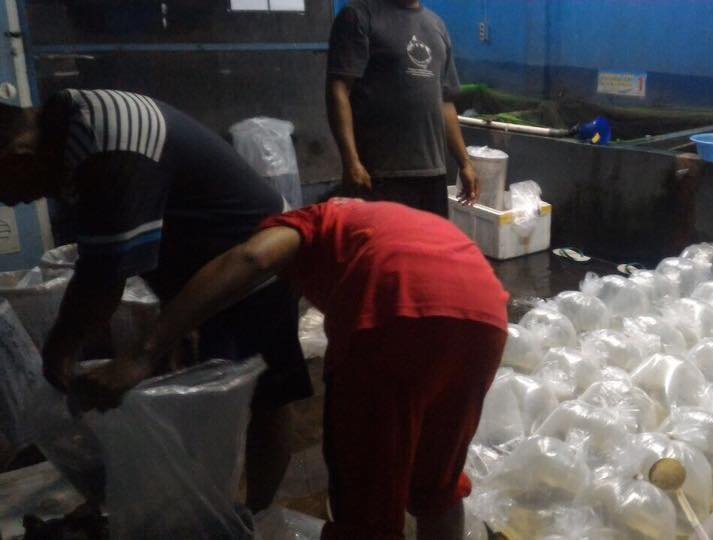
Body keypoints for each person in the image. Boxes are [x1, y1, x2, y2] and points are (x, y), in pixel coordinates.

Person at [74, 198, 509, 539]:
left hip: (393, 308)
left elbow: (252, 260)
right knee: (437, 484)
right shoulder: (373, 221)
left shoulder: (306, 221)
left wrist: (146, 352)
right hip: (485, 315)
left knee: (367, 505)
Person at [0, 90, 311, 512]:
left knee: (267, 395)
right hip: (198, 273)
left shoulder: (108, 147)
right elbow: (101, 258)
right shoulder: (71, 138)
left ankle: (256, 514)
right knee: (205, 392)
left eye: (2, 186)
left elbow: (103, 277)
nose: (7, 201)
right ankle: (207, 502)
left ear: (17, 155)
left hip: (254, 263)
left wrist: (72, 351)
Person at [327, 0, 479, 215]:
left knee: (430, 237)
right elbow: (339, 89)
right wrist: (351, 161)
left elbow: (445, 102)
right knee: (384, 237)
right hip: (379, 174)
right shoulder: (359, 16)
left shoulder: (436, 25)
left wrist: (465, 163)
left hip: (432, 174)